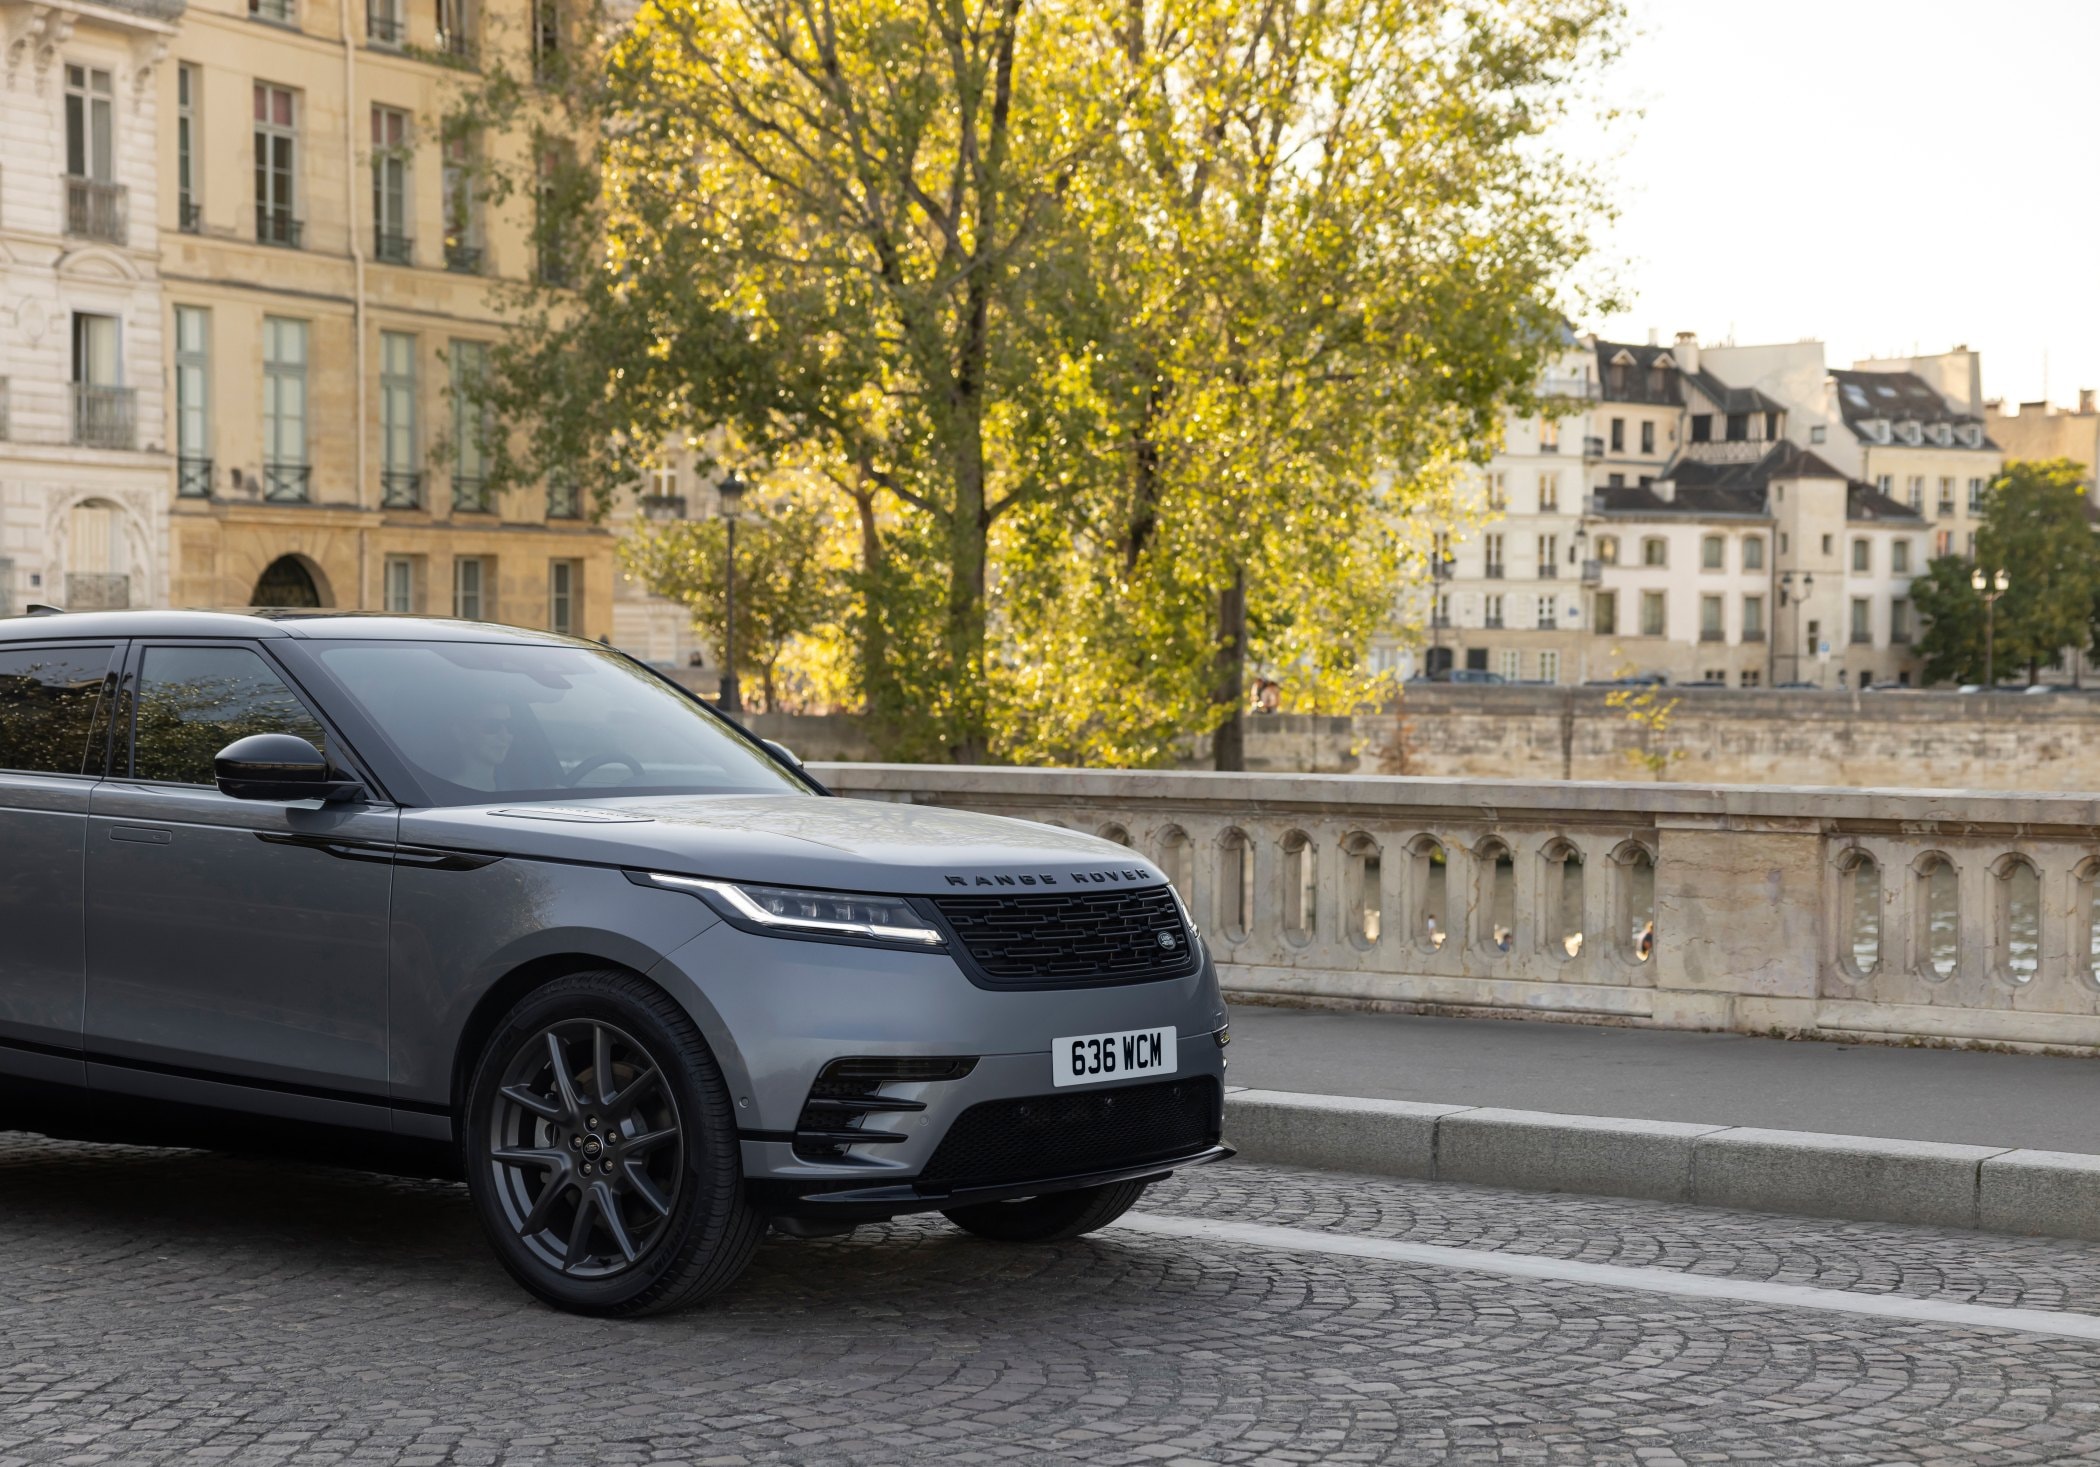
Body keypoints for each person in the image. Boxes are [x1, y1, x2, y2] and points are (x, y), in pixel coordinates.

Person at [429, 700, 516, 791]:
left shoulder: (520, 788)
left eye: (510, 725)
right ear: (460, 732)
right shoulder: (440, 794)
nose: (505, 736)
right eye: (491, 725)